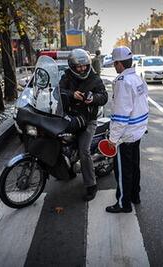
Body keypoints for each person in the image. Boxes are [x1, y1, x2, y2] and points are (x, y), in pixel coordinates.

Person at [59, 48, 108, 201]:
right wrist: (71, 94)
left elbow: (104, 96)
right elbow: (57, 91)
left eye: (84, 66)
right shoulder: (66, 77)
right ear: (72, 67)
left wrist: (93, 98)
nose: (81, 69)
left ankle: (91, 185)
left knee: (84, 150)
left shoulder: (95, 79)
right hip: (69, 117)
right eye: (78, 67)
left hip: (88, 120)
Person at [105, 46, 149, 213]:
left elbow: (121, 115)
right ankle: (135, 195)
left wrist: (112, 139)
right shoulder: (137, 78)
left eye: (115, 63)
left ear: (119, 64)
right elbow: (144, 103)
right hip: (137, 131)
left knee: (123, 171)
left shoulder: (122, 82)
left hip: (125, 135)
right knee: (134, 166)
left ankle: (124, 203)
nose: (114, 67)